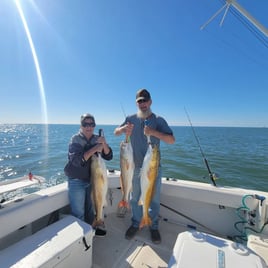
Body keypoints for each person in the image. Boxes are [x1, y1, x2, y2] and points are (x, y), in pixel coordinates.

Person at [114, 89, 175, 244]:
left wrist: (153, 132)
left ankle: (153, 226)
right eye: (139, 101)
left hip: (152, 168)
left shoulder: (159, 120)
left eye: (145, 101)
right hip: (133, 167)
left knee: (153, 199)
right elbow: (115, 132)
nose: (142, 104)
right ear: (136, 103)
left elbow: (171, 140)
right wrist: (122, 129)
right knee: (135, 198)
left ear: (150, 102)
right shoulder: (130, 119)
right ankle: (136, 223)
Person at [64, 113, 113, 236]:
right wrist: (94, 149)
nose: (88, 127)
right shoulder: (75, 139)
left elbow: (109, 155)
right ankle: (80, 238)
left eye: (91, 124)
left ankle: (93, 230)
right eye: (85, 124)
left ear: (95, 126)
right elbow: (76, 160)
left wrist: (104, 144)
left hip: (92, 179)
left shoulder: (97, 138)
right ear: (81, 126)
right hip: (76, 180)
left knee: (90, 209)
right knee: (78, 212)